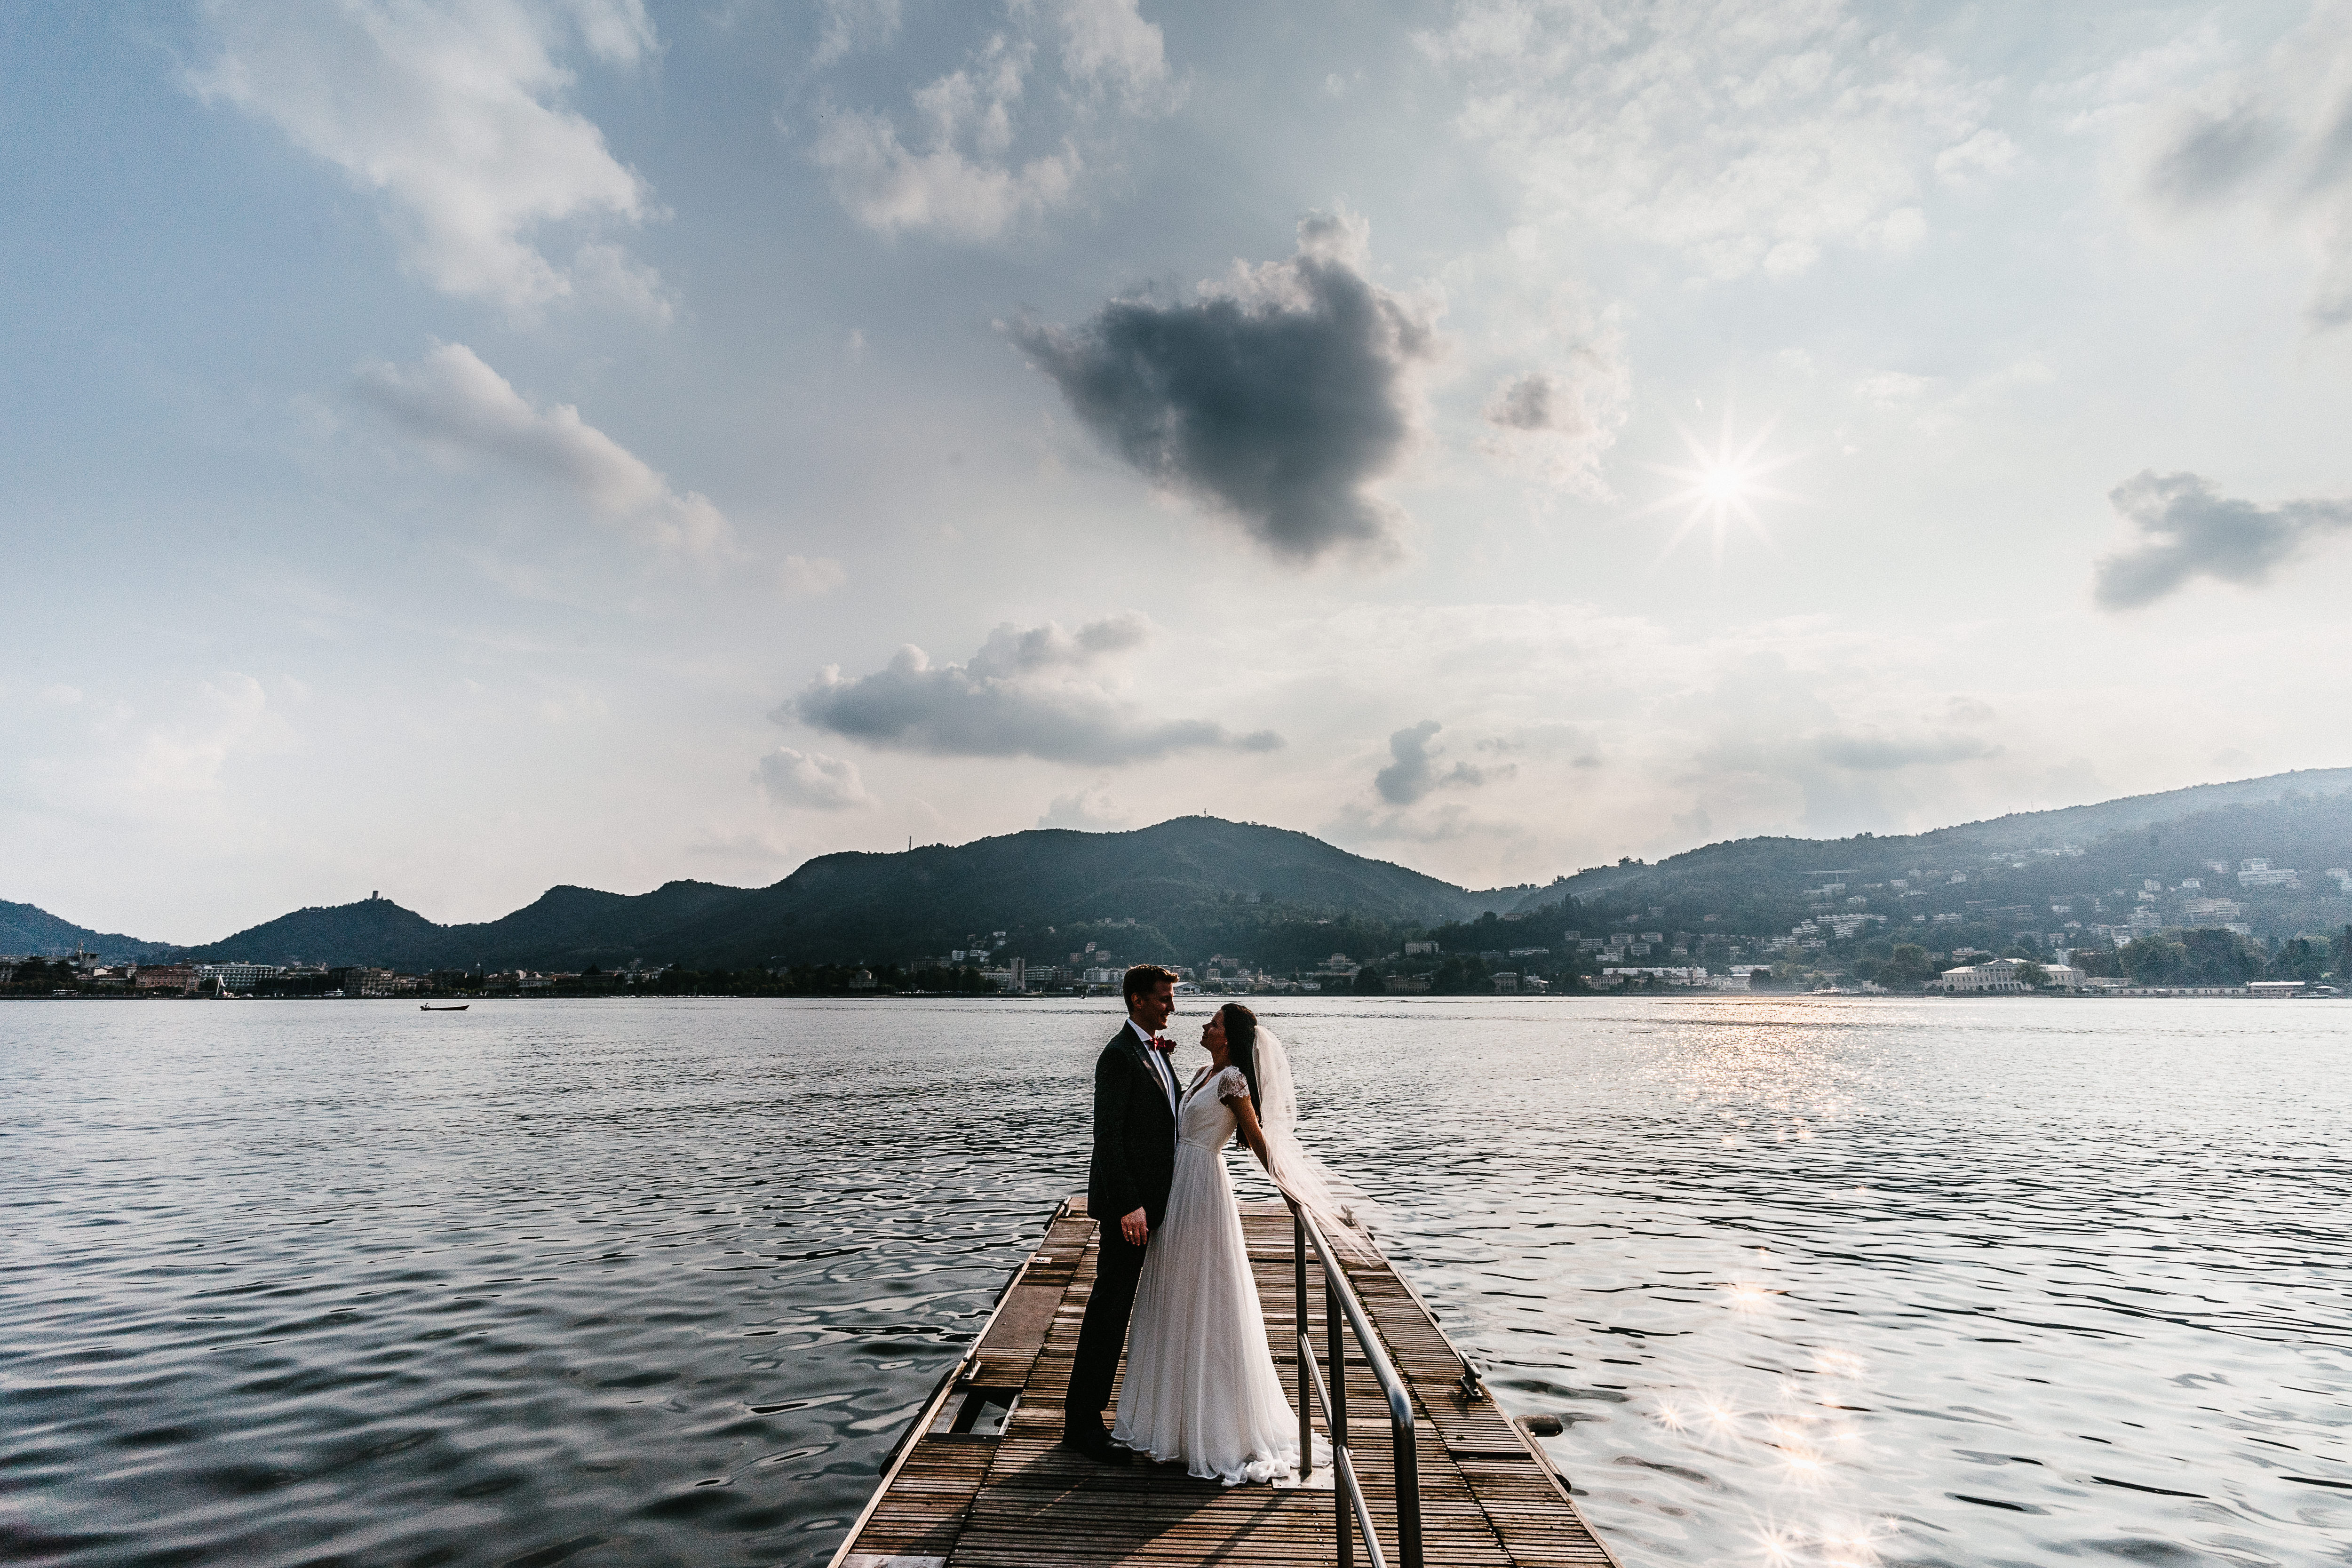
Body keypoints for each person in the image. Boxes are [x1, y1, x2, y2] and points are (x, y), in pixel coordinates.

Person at [1111, 1003, 1327, 1485]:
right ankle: (1169, 1419)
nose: (1204, 1027)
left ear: (1228, 1038)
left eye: (1213, 1024)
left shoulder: (1233, 1082)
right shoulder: (1199, 1071)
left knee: (1206, 1296)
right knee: (1172, 1297)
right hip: (1175, 1186)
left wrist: (1290, 1190)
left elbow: (1255, 1139)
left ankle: (1212, 1428)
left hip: (1204, 1187)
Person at [1062, 963, 1183, 1465]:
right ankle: (1082, 1425)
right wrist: (1130, 1205)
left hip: (1157, 1205)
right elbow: (1107, 1138)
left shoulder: (1154, 1052)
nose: (1171, 1006)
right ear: (1137, 1000)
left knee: (1127, 1308)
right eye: (1162, 998)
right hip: (1129, 1211)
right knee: (1108, 1312)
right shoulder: (1117, 1056)